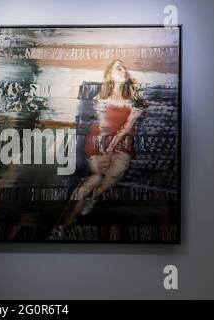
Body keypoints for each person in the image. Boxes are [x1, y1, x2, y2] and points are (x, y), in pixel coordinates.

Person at [55, 59, 147, 233]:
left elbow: (126, 128)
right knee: (96, 178)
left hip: (123, 140)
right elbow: (103, 126)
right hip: (99, 138)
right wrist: (104, 150)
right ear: (110, 75)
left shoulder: (135, 98)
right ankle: (65, 223)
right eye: (118, 68)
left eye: (124, 68)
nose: (123, 71)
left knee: (115, 174)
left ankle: (93, 198)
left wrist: (112, 149)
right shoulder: (101, 97)